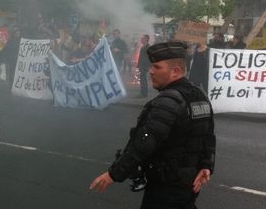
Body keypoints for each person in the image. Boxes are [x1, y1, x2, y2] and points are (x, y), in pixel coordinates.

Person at [90, 41, 216, 209]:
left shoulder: (168, 101)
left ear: (175, 71)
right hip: (188, 186)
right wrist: (206, 166)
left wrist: (113, 174)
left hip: (165, 188)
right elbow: (208, 136)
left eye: (157, 67)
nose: (151, 71)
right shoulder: (199, 95)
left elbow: (144, 142)